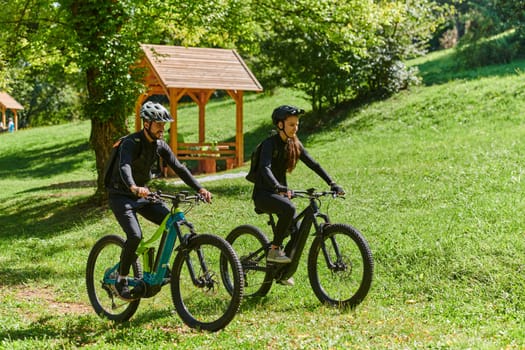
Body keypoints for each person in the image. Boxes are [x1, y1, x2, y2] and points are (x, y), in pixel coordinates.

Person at [106, 101, 212, 300]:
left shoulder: (160, 145)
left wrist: (200, 188)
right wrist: (133, 187)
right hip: (121, 195)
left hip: (144, 195)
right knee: (135, 236)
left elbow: (179, 167)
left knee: (171, 222)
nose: (162, 128)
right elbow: (125, 166)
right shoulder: (131, 142)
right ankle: (119, 277)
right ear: (146, 123)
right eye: (158, 124)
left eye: (164, 125)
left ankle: (160, 268)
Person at [251, 105, 344, 284]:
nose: (295, 128)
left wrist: (332, 183)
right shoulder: (269, 144)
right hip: (264, 194)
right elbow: (265, 168)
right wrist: (278, 187)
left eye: (297, 124)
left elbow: (313, 164)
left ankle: (282, 272)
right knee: (289, 208)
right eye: (291, 124)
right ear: (280, 125)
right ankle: (274, 249)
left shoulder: (294, 144)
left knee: (298, 230)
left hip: (281, 194)